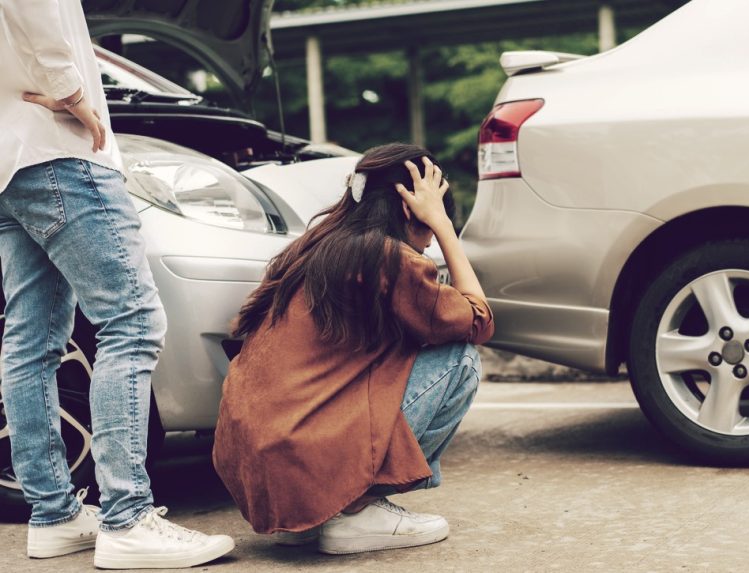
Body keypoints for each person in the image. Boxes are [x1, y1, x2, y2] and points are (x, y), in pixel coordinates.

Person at [0, 0, 234, 568]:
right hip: (55, 147)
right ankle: (128, 518)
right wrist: (74, 91)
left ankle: (53, 515)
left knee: (32, 341)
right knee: (131, 321)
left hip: (11, 155)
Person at [213, 143, 494, 555]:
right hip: (303, 453)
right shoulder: (389, 258)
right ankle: (356, 512)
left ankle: (313, 515)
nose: (431, 242)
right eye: (432, 225)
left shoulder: (310, 248)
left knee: (389, 360)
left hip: (256, 472)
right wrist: (447, 226)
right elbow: (478, 319)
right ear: (410, 210)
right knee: (461, 361)